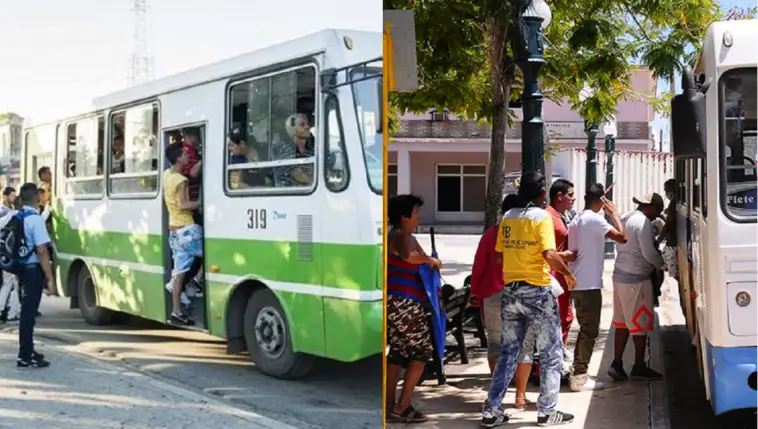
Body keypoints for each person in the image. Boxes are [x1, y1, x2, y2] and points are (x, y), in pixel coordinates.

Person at [482, 171, 577, 428]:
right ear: (542, 192)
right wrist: (567, 273)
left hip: (511, 292)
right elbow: (549, 253)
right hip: (537, 291)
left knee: (508, 353)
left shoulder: (508, 217)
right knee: (551, 353)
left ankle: (491, 410)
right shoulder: (541, 217)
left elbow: (500, 257)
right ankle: (547, 411)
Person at [472, 194, 535, 410]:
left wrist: (475, 292)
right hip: (523, 293)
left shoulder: (492, 234)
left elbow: (480, 264)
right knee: (524, 345)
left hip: (493, 293)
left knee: (496, 344)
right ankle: (520, 396)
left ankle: (495, 395)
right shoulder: (529, 234)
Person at [385, 194, 442, 424]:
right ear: (404, 216)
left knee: (398, 354)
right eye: (416, 212)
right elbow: (410, 256)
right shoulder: (400, 235)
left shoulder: (397, 235)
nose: (418, 217)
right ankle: (403, 404)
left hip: (397, 302)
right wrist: (431, 260)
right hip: (405, 303)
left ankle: (389, 404)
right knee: (421, 353)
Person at [565, 183, 627, 392]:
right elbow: (622, 237)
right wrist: (614, 214)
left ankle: (578, 371)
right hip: (588, 284)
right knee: (590, 331)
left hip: (578, 282)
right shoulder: (594, 219)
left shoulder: (577, 219)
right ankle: (580, 376)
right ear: (602, 200)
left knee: (586, 330)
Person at [607, 193, 665, 381]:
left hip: (620, 276)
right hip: (636, 279)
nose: (657, 214)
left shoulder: (626, 217)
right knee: (640, 322)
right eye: (657, 209)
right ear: (651, 206)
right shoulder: (643, 223)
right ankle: (639, 365)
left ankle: (617, 363)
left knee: (622, 322)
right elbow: (648, 253)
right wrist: (661, 265)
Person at [162, 143, 203, 326]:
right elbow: (183, 205)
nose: (187, 156)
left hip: (174, 230)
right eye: (185, 154)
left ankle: (176, 311)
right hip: (187, 229)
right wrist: (202, 201)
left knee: (179, 273)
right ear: (178, 158)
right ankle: (195, 281)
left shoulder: (167, 175)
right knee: (212, 252)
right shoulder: (181, 180)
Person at [14, 183, 54, 368]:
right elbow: (42, 251)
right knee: (28, 315)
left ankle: (28, 350)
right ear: (37, 200)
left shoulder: (14, 216)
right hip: (33, 271)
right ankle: (24, 355)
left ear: (21, 200)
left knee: (26, 312)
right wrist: (50, 278)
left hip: (20, 270)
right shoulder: (36, 220)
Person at [544, 179, 578, 360]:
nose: (573, 199)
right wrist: (564, 256)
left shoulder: (560, 216)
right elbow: (547, 252)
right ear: (559, 196)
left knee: (566, 318)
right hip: (553, 275)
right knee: (557, 320)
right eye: (570, 195)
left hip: (561, 276)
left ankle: (559, 358)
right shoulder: (548, 217)